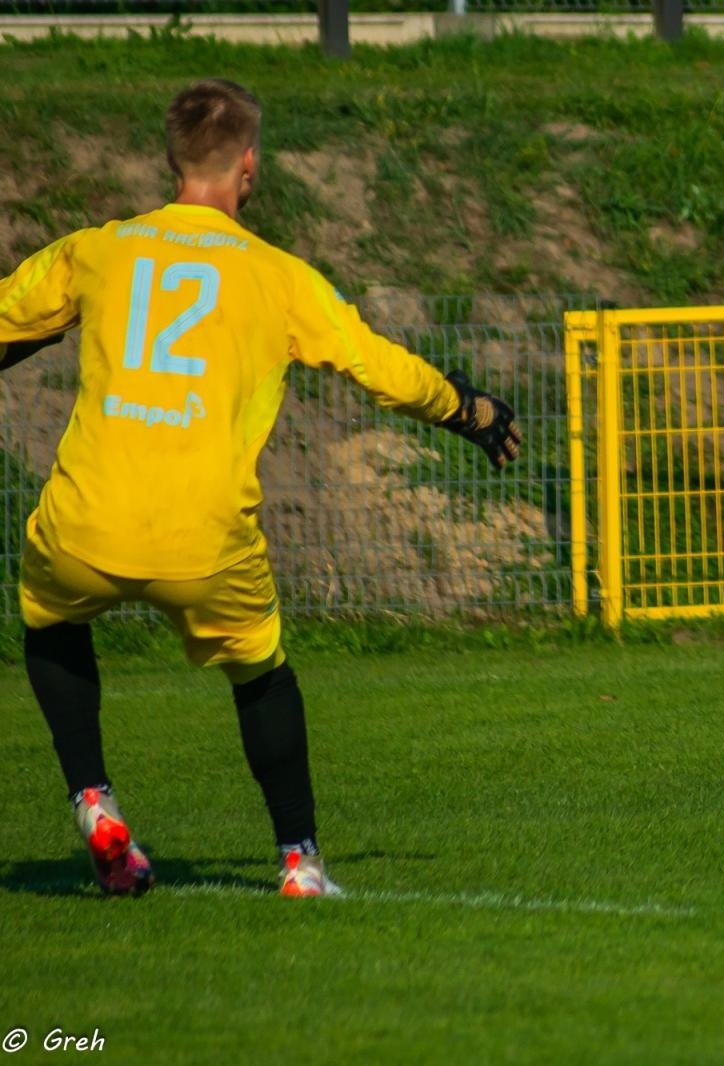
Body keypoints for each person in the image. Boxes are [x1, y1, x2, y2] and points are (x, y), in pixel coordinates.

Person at [0, 79, 522, 895]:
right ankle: (299, 862)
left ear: (173, 161)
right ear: (248, 166)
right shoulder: (279, 275)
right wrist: (468, 408)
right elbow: (374, 364)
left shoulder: (99, 248)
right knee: (261, 673)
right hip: (205, 536)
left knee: (49, 621)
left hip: (86, 519)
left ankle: (95, 799)